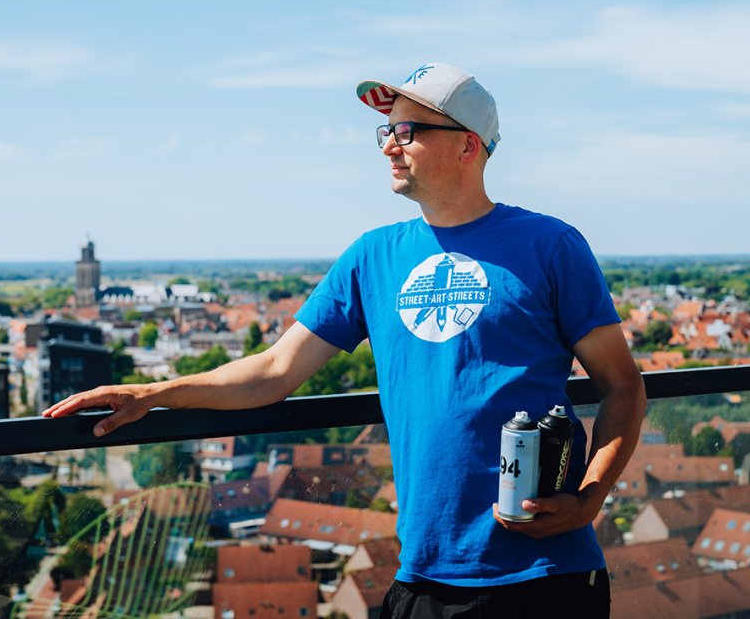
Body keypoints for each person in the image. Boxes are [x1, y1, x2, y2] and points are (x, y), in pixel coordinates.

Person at [44, 62, 646, 618]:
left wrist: (590, 498)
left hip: (542, 573)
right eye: (385, 131)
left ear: (468, 144)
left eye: (408, 130)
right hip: (424, 573)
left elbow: (622, 388)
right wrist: (154, 394)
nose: (389, 144)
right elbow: (276, 371)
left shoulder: (550, 246)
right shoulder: (373, 256)